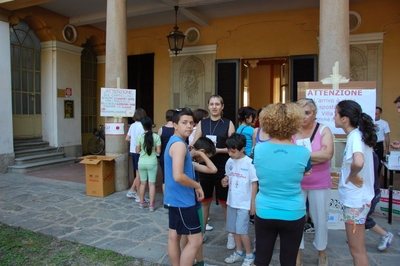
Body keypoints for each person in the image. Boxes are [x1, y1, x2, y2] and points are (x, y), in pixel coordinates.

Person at [253, 103, 311, 266]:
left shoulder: (259, 149)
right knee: (288, 261)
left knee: (261, 259)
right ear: (295, 123)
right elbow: (305, 171)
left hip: (265, 210)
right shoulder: (303, 152)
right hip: (293, 211)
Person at [333, 100, 376, 266]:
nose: (334, 117)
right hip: (357, 200)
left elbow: (358, 162)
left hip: (355, 201)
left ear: (344, 118)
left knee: (356, 251)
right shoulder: (357, 135)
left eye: (336, 114)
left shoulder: (355, 137)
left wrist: (352, 175)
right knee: (358, 249)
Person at [293, 98, 334, 266]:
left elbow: (327, 155)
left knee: (320, 219)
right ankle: (297, 256)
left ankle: (322, 252)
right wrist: (314, 157)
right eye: (300, 113)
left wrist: (300, 156)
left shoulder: (323, 130)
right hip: (296, 183)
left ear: (315, 113)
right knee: (296, 220)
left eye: (307, 113)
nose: (303, 117)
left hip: (319, 183)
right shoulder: (292, 131)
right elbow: (289, 154)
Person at [192, 95, 236, 248]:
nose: (214, 107)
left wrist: (217, 150)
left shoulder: (228, 123)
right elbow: (195, 144)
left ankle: (230, 234)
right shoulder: (202, 123)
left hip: (223, 167)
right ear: (208, 106)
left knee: (225, 203)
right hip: (205, 167)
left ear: (222, 106)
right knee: (204, 201)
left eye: (217, 104)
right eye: (211, 104)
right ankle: (201, 233)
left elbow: (233, 146)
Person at [163, 108, 204, 266]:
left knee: (174, 236)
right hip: (183, 200)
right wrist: (197, 185)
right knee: (195, 240)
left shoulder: (175, 142)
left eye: (191, 123)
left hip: (173, 198)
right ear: (175, 125)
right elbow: (178, 176)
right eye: (184, 122)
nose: (189, 126)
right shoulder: (179, 145)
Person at [221, 133, 258, 266]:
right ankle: (239, 251)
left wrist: (252, 203)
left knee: (242, 231)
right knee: (234, 229)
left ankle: (249, 255)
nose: (230, 154)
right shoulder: (229, 161)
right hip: (232, 201)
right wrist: (224, 181)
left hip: (244, 203)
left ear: (242, 149)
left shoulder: (249, 163)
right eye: (229, 151)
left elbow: (254, 183)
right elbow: (227, 176)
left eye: (233, 151)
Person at [181, 136, 218, 266]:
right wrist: (200, 154)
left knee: (194, 235)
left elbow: (213, 170)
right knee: (192, 236)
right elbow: (213, 169)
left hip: (193, 202)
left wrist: (201, 154)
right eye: (205, 156)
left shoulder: (191, 161)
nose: (204, 160)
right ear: (201, 151)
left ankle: (199, 262)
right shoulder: (188, 162)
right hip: (187, 203)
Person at [136, 117, 161, 211]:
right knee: (152, 185)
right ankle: (151, 205)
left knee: (143, 184)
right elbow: (159, 151)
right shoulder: (156, 137)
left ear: (143, 126)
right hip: (152, 162)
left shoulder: (140, 137)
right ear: (151, 125)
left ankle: (141, 203)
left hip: (141, 162)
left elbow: (137, 150)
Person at [126, 108, 148, 202]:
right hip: (141, 152)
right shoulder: (143, 126)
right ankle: (139, 195)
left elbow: (127, 138)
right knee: (140, 174)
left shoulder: (132, 125)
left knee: (137, 173)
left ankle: (132, 191)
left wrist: (134, 142)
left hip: (133, 151)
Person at [158, 109, 175, 203]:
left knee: (165, 177)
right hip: (175, 156)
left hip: (164, 156)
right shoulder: (177, 129)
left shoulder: (161, 129)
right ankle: (174, 197)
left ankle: (166, 199)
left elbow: (158, 144)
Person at [374, 106, 390, 175]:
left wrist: (387, 148)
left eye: (377, 113)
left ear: (380, 113)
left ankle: (377, 176)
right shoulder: (369, 122)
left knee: (379, 162)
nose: (375, 115)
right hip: (370, 144)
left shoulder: (384, 123)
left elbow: (387, 136)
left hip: (379, 144)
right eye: (374, 113)